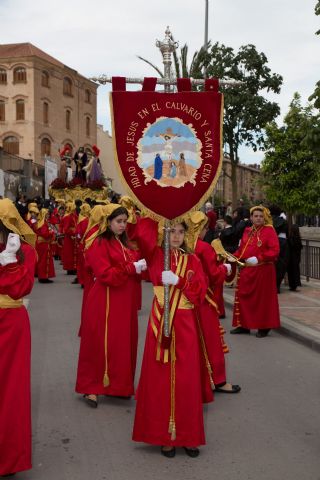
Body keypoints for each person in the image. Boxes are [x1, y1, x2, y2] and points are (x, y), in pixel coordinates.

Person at [132, 217, 211, 458]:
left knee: (187, 379)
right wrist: (156, 214)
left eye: (179, 232)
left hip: (185, 321)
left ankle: (189, 436)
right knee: (161, 379)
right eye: (171, 232)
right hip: (161, 321)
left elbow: (201, 291)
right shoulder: (156, 255)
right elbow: (139, 234)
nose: (175, 236)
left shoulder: (193, 260)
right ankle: (164, 436)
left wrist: (179, 282)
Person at [75, 205, 145, 407]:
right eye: (119, 221)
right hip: (104, 300)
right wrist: (132, 267)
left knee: (121, 344)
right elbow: (105, 274)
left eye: (124, 221)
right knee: (98, 342)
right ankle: (91, 388)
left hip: (123, 302)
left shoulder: (124, 243)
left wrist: (139, 266)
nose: (123, 225)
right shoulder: (99, 243)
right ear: (108, 222)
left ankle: (118, 386)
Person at [0, 198, 37, 477]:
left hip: (12, 325)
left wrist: (10, 260)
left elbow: (22, 287)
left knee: (11, 389)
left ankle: (8, 456)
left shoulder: (25, 251)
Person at [189, 211, 241, 394]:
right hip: (204, 299)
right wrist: (225, 268)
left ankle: (195, 380)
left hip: (184, 301)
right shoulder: (203, 247)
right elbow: (213, 275)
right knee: (211, 341)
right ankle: (219, 380)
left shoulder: (181, 246)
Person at [230, 206, 280, 338]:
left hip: (263, 270)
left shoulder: (269, 231)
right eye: (256, 216)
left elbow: (274, 250)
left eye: (261, 216)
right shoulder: (247, 231)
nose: (258, 218)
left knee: (262, 300)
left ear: (264, 218)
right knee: (243, 297)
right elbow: (242, 250)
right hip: (248, 270)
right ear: (251, 218)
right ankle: (244, 325)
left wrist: (259, 258)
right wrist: (233, 257)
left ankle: (264, 326)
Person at [34, 208, 56, 283]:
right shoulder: (43, 223)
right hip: (43, 244)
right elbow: (45, 234)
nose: (48, 215)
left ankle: (43, 276)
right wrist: (52, 232)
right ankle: (43, 277)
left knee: (43, 260)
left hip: (42, 243)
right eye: (47, 214)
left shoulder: (42, 222)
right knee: (44, 260)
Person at [287, 224, 303, 291]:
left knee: (291, 272)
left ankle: (292, 285)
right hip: (297, 257)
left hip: (291, 257)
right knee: (296, 271)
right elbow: (300, 247)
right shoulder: (298, 238)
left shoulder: (290, 238)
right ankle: (296, 285)